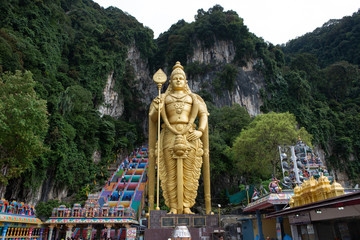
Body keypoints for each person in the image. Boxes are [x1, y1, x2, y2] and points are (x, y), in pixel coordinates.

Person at [149, 61, 210, 214]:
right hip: (169, 135)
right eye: (175, 78)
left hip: (189, 135)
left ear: (185, 81)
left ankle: (187, 205)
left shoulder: (194, 98)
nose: (178, 80)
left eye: (181, 78)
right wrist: (157, 107)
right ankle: (173, 207)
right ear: (170, 81)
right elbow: (153, 118)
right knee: (170, 173)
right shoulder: (162, 97)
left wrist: (200, 131)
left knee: (189, 173)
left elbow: (203, 115)